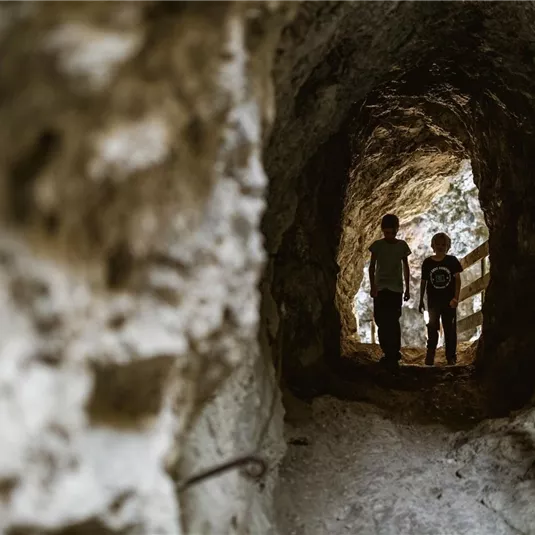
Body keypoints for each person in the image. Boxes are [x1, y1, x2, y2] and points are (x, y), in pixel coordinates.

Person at [368, 214, 411, 370]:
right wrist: (373, 286)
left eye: (391, 233)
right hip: (380, 289)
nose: (389, 236)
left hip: (396, 289)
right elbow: (372, 267)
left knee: (393, 321)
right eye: (386, 233)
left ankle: (393, 353)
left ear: (397, 230)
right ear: (382, 231)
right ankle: (387, 352)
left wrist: (407, 288)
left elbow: (406, 267)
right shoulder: (377, 246)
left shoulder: (402, 246)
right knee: (381, 320)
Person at [419, 232, 463, 366]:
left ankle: (451, 357)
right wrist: (421, 300)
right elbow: (423, 282)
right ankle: (430, 355)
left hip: (449, 301)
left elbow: (457, 280)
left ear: (448, 246)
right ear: (432, 245)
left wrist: (456, 298)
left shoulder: (452, 261)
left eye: (443, 244)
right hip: (433, 302)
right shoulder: (427, 262)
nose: (440, 247)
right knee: (432, 328)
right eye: (437, 244)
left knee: (450, 329)